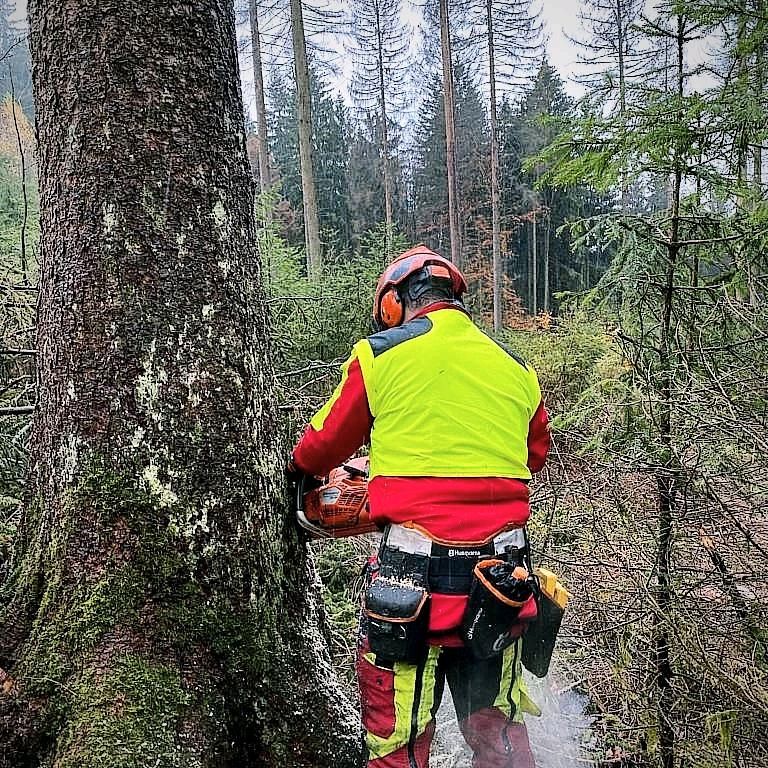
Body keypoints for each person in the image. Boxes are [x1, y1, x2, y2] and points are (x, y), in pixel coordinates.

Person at [290, 245, 550, 768]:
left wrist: (310, 477)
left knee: (398, 746)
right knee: (497, 735)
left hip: (409, 590)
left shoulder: (380, 354)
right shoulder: (515, 367)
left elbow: (317, 448)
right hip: (500, 586)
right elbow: (534, 454)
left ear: (393, 304)